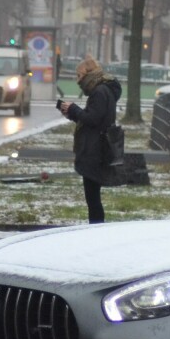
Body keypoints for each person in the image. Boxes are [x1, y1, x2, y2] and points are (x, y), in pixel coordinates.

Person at [57, 56, 121, 224]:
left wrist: (74, 108)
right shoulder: (102, 90)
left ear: (89, 74)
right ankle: (96, 227)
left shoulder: (99, 92)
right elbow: (92, 119)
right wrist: (71, 113)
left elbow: (93, 119)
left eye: (79, 76)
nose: (78, 81)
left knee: (92, 198)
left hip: (94, 150)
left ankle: (96, 229)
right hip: (96, 148)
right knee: (93, 196)